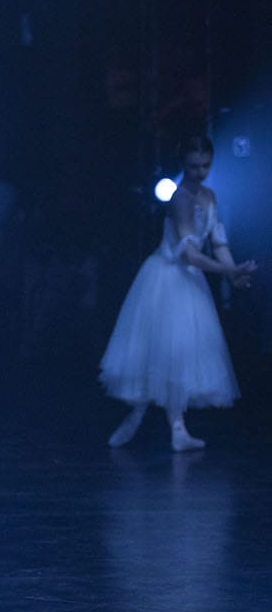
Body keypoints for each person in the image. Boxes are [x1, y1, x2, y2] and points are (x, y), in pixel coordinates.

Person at [101, 134, 257, 450]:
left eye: (205, 165)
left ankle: (175, 429)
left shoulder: (210, 196)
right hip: (167, 277)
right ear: (183, 164)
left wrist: (234, 271)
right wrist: (228, 272)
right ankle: (142, 414)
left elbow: (218, 243)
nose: (200, 172)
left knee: (180, 356)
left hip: (190, 281)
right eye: (193, 166)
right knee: (162, 353)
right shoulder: (180, 198)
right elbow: (190, 255)